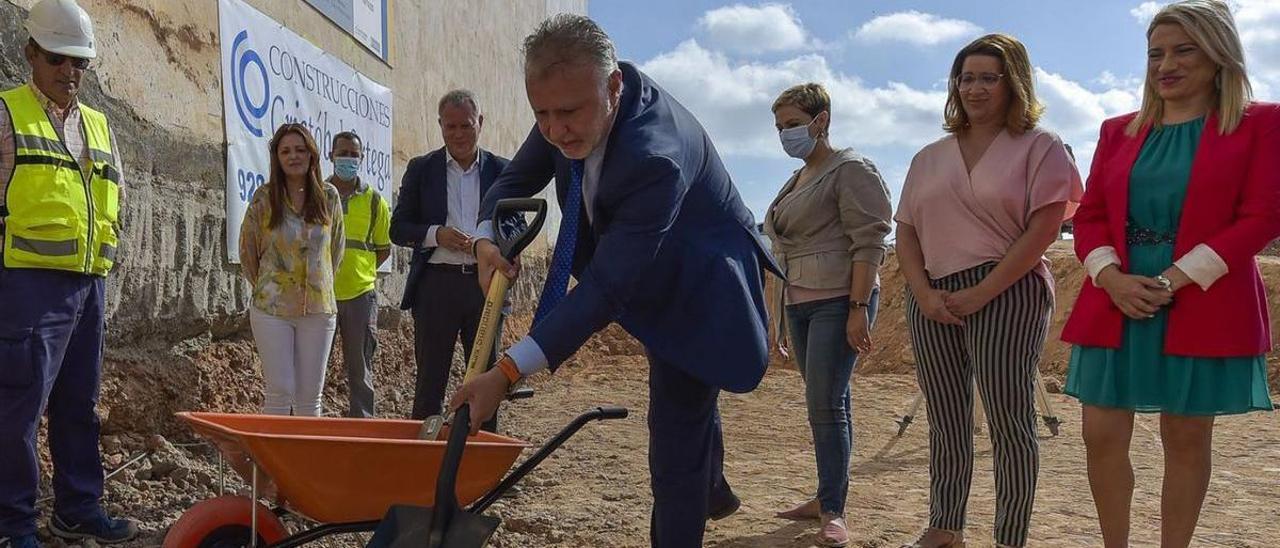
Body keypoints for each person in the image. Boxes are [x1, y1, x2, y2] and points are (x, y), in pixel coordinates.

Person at [448, 14, 781, 547]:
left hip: (697, 291)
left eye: (569, 114)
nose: (556, 129)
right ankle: (710, 486)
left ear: (614, 87)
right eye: (543, 114)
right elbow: (514, 177)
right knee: (692, 417)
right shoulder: (570, 98)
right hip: (640, 276)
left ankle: (690, 505)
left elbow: (605, 290)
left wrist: (506, 372)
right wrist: (487, 233)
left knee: (674, 438)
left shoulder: (656, 158)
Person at [1060, 1, 1280, 545]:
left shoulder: (1262, 123)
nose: (1166, 64)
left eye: (1184, 50)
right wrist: (1110, 277)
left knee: (1184, 438)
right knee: (1100, 435)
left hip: (1202, 296)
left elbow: (1264, 215)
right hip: (1115, 297)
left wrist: (1174, 279)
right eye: (1156, 53)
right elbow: (1088, 216)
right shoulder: (1118, 130)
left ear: (1218, 54)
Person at [893, 34, 1083, 548]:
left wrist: (983, 292)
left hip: (1009, 289)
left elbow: (1044, 229)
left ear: (1013, 82)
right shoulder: (928, 156)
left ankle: (1010, 536)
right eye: (966, 77)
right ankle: (945, 524)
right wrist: (923, 292)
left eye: (988, 77)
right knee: (946, 415)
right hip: (931, 293)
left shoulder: (1041, 147)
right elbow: (906, 230)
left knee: (1009, 419)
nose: (974, 88)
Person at [0, 1, 139, 545]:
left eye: (79, 62)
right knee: (18, 409)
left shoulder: (99, 126)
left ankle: (78, 509)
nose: (70, 72)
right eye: (58, 58)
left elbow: (115, 200)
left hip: (88, 288)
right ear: (31, 53)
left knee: (79, 405)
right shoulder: (8, 115)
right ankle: (13, 525)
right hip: (27, 288)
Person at [763, 83, 892, 547]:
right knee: (832, 400)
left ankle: (834, 511)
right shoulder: (795, 180)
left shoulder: (850, 169)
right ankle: (827, 496)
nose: (785, 134)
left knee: (824, 403)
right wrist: (777, 318)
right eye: (779, 127)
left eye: (793, 124)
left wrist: (859, 308)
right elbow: (780, 252)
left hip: (840, 299)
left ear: (822, 121)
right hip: (800, 302)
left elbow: (869, 241)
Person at [390, 90, 510, 427]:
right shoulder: (421, 169)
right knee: (430, 380)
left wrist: (494, 248)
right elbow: (398, 228)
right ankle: (425, 462)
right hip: (435, 286)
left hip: (484, 286)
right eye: (450, 126)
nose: (458, 134)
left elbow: (516, 226)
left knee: (486, 378)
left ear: (480, 123)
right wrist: (435, 234)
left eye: (466, 126)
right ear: (440, 126)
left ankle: (480, 463)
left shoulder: (504, 172)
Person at [238, 123, 344, 417]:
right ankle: (274, 463)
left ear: (311, 154)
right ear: (277, 158)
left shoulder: (329, 196)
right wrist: (271, 286)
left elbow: (335, 250)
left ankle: (307, 461)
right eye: (285, 151)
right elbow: (247, 251)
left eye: (299, 149)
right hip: (272, 310)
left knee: (311, 396)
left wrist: (315, 283)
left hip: (318, 309)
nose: (293, 156)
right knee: (279, 391)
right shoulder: (264, 198)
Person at [328, 131, 390, 418]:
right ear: (331, 155)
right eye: (343, 153)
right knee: (310, 368)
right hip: (321, 295)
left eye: (354, 154)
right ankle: (304, 424)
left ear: (362, 158)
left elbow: (383, 249)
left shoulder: (375, 201)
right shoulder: (319, 195)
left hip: (360, 296)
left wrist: (359, 272)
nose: (348, 159)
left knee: (360, 367)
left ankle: (362, 425)